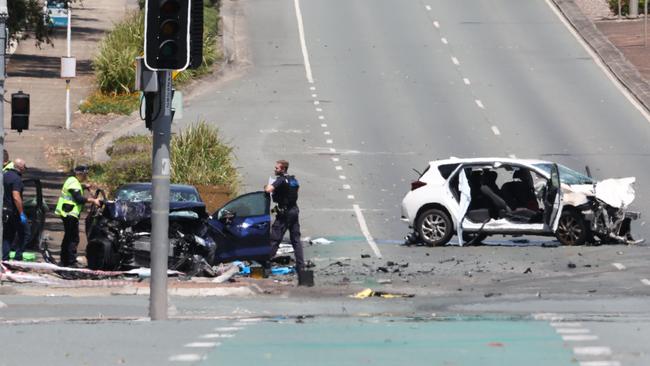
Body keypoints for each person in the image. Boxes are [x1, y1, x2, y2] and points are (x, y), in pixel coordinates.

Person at [54, 165, 101, 267]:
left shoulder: (72, 180)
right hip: (70, 213)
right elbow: (78, 198)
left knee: (68, 237)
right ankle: (71, 262)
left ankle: (64, 260)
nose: (86, 177)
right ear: (79, 174)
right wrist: (93, 200)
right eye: (85, 174)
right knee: (73, 238)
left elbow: (76, 188)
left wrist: (85, 186)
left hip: (66, 212)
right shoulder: (74, 183)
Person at [264, 160, 304, 273]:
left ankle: (266, 265)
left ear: (282, 169)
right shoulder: (293, 180)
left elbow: (268, 189)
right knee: (296, 240)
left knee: (274, 239)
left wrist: (267, 186)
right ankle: (301, 267)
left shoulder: (281, 180)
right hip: (294, 210)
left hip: (284, 214)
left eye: (276, 168)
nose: (275, 170)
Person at [2, 159, 27, 261]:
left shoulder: (5, 175)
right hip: (14, 212)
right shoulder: (17, 179)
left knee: (7, 236)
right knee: (25, 233)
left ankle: (5, 259)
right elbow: (16, 197)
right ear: (20, 167)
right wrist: (21, 213)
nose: (26, 169)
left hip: (5, 210)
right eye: (25, 167)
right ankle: (17, 258)